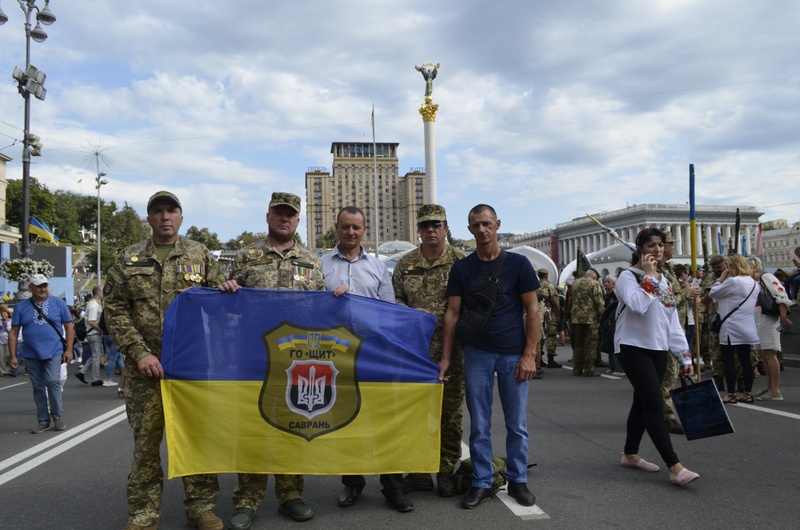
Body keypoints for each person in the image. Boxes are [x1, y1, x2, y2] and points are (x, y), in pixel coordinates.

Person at [104, 191, 226, 530]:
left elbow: (223, 302)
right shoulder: (127, 258)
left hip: (191, 368)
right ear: (149, 219)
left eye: (171, 210)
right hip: (145, 371)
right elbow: (114, 310)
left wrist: (217, 292)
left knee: (196, 440)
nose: (165, 217)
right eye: (158, 211)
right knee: (145, 446)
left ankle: (200, 508)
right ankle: (143, 516)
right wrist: (139, 353)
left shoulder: (200, 255)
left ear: (181, 217)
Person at [218, 192, 323, 528]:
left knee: (294, 425)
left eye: (290, 214)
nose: (284, 218)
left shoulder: (311, 260)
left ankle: (291, 493)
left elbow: (321, 309)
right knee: (252, 427)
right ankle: (247, 499)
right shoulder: (246, 256)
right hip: (252, 357)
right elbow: (225, 308)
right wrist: (226, 290)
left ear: (297, 220)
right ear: (267, 216)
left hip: (296, 360)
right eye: (279, 213)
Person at [440, 204, 540, 509]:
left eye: (486, 224)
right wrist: (445, 358)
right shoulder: (463, 268)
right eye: (475, 226)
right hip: (477, 354)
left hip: (512, 354)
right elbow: (452, 314)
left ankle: (518, 479)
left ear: (497, 224)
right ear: (469, 230)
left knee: (516, 424)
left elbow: (533, 310)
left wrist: (530, 355)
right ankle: (482, 481)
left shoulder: (519, 264)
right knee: (480, 423)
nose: (482, 230)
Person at [320, 206, 413, 513]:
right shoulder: (320, 266)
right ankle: (352, 482)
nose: (351, 232)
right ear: (337, 228)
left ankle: (393, 486)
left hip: (375, 355)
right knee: (346, 420)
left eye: (356, 227)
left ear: (364, 230)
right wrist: (330, 301)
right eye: (346, 227)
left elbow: (390, 312)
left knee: (385, 421)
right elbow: (309, 310)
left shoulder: (377, 267)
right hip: (337, 357)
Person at [614, 227, 699, 486]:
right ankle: (674, 466)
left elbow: (671, 322)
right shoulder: (627, 277)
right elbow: (637, 305)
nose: (658, 250)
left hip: (659, 348)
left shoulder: (664, 281)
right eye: (651, 246)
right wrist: (649, 275)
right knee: (653, 403)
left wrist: (685, 358)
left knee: (641, 402)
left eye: (660, 245)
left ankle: (629, 454)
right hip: (632, 346)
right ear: (639, 249)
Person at [392, 204, 466, 498]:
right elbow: (393, 300)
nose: (431, 230)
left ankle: (445, 470)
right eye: (425, 226)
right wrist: (409, 312)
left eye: (436, 224)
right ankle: (419, 472)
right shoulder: (405, 264)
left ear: (446, 227)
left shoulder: (461, 262)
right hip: (414, 355)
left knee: (449, 415)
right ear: (418, 230)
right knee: (415, 415)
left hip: (454, 354)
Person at [9, 274, 74, 433]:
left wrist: (69, 350)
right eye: (39, 286)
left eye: (44, 285)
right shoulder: (21, 306)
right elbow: (13, 332)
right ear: (31, 287)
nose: (43, 289)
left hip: (54, 351)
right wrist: (12, 356)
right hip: (31, 353)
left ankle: (57, 416)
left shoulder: (58, 303)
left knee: (52, 381)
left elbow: (69, 326)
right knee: (38, 387)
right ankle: (43, 420)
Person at [708, 254, 759, 404]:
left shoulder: (735, 281)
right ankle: (747, 393)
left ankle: (730, 394)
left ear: (734, 266)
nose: (727, 269)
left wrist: (720, 279)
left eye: (729, 266)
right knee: (745, 360)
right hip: (747, 325)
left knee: (728, 360)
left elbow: (713, 293)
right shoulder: (753, 282)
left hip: (731, 326)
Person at [748, 257, 793, 401]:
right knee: (763, 353)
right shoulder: (751, 282)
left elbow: (781, 295)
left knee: (770, 353)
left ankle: (775, 390)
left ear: (754, 267)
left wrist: (783, 316)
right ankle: (770, 388)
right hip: (758, 318)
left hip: (768, 318)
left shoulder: (766, 277)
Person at [566, 268, 605, 377]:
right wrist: (601, 315)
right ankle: (589, 369)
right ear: (594, 277)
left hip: (576, 318)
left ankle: (577, 369)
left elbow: (570, 300)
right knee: (591, 344)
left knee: (578, 344)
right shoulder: (594, 284)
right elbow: (599, 302)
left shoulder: (575, 283)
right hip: (590, 318)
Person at [75, 285, 104, 386]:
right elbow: (91, 321)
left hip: (92, 332)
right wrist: (101, 330)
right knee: (97, 355)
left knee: (96, 355)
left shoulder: (93, 304)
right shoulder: (93, 305)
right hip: (93, 332)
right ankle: (95, 378)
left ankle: (82, 372)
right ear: (98, 293)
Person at [536, 269, 562, 371]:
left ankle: (539, 360)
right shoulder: (550, 286)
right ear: (546, 276)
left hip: (538, 314)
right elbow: (555, 302)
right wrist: (558, 313)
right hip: (549, 315)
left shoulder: (535, 285)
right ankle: (551, 359)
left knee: (539, 338)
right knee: (551, 336)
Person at [601, 275, 625, 376]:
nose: (606, 284)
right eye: (605, 282)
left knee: (614, 344)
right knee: (609, 344)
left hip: (615, 321)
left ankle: (618, 369)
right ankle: (612, 367)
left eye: (609, 282)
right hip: (608, 321)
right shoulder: (607, 294)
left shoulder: (616, 294)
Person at [0, 304, 11, 376]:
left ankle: (10, 368)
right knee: (1, 356)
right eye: (2, 314)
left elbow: (11, 331)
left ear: (7, 314)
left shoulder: (11, 321)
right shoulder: (0, 321)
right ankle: (3, 370)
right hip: (1, 340)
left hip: (8, 340)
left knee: (8, 355)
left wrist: (6, 324)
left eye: (5, 314)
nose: (3, 315)